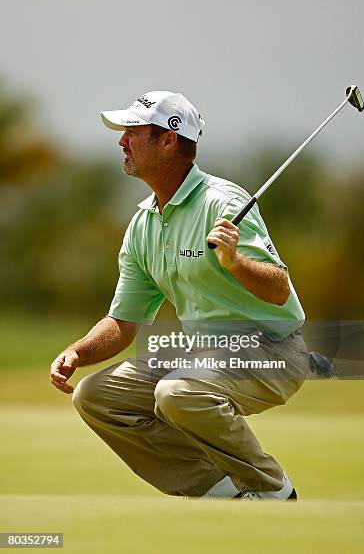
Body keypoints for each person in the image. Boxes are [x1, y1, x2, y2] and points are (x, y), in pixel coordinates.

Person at [49, 90, 312, 500]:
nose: (121, 141)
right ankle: (221, 492)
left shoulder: (221, 202)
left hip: (272, 350)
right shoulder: (143, 224)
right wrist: (79, 353)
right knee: (97, 396)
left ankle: (273, 490)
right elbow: (123, 321)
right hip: (201, 352)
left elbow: (279, 288)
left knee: (178, 392)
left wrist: (235, 263)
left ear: (168, 140)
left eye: (132, 132)